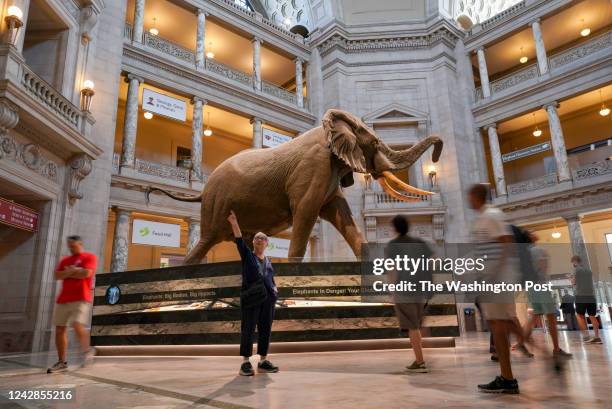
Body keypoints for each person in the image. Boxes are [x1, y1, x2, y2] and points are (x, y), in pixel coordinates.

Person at [468, 184, 523, 394]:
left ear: (477, 196)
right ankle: (506, 376)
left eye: (470, 196)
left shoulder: (492, 215)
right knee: (498, 326)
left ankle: (508, 378)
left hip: (497, 280)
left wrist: (494, 275)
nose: (468, 200)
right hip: (489, 280)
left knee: (500, 327)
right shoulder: (481, 218)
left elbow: (507, 244)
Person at [227, 210, 280, 376]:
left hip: (268, 300)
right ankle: (245, 362)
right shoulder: (248, 256)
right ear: (254, 242)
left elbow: (269, 277)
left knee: (265, 330)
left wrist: (275, 288)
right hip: (251, 299)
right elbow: (239, 241)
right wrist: (234, 223)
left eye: (263, 238)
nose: (260, 239)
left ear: (267, 243)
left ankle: (263, 361)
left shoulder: (269, 261)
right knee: (248, 329)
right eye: (257, 237)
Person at [386, 215, 433, 373]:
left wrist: (393, 291)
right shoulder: (419, 243)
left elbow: (392, 270)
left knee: (412, 327)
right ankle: (421, 357)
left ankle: (420, 361)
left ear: (396, 228)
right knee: (417, 325)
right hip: (420, 290)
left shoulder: (393, 245)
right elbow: (434, 261)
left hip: (404, 291)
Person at [47, 236, 97, 373]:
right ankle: (61, 362)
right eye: (69, 246)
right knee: (59, 329)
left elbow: (86, 273)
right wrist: (74, 271)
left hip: (81, 298)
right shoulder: (65, 260)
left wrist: (68, 272)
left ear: (80, 244)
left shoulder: (89, 257)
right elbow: (57, 275)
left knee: (77, 324)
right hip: (63, 299)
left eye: (73, 246)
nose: (71, 248)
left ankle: (87, 351)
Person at [522, 232, 572, 358]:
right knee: (551, 316)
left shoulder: (524, 253)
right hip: (541, 285)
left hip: (531, 286)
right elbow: (542, 266)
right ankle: (556, 349)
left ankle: (520, 343)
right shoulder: (538, 250)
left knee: (535, 316)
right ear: (531, 238)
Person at [570, 255, 602, 344]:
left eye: (572, 262)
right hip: (591, 296)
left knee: (579, 315)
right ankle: (597, 337)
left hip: (581, 296)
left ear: (575, 261)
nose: (572, 264)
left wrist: (570, 279)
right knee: (592, 316)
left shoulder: (576, 270)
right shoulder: (589, 270)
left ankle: (586, 337)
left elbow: (574, 282)